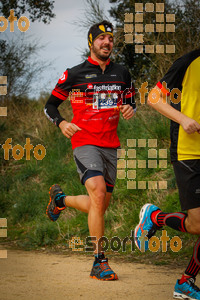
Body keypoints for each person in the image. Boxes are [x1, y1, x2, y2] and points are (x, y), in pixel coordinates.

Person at [44, 20, 136, 281]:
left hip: (110, 144)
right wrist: (61, 122)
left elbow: (130, 100)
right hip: (84, 141)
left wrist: (131, 108)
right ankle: (99, 261)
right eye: (101, 39)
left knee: (100, 204)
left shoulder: (122, 72)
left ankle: (60, 200)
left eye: (110, 39)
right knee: (97, 193)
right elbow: (50, 106)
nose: (107, 42)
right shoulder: (75, 73)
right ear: (91, 42)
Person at [134, 48, 200, 299]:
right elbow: (153, 97)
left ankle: (186, 282)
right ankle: (155, 217)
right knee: (197, 224)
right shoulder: (188, 61)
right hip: (188, 152)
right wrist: (183, 119)